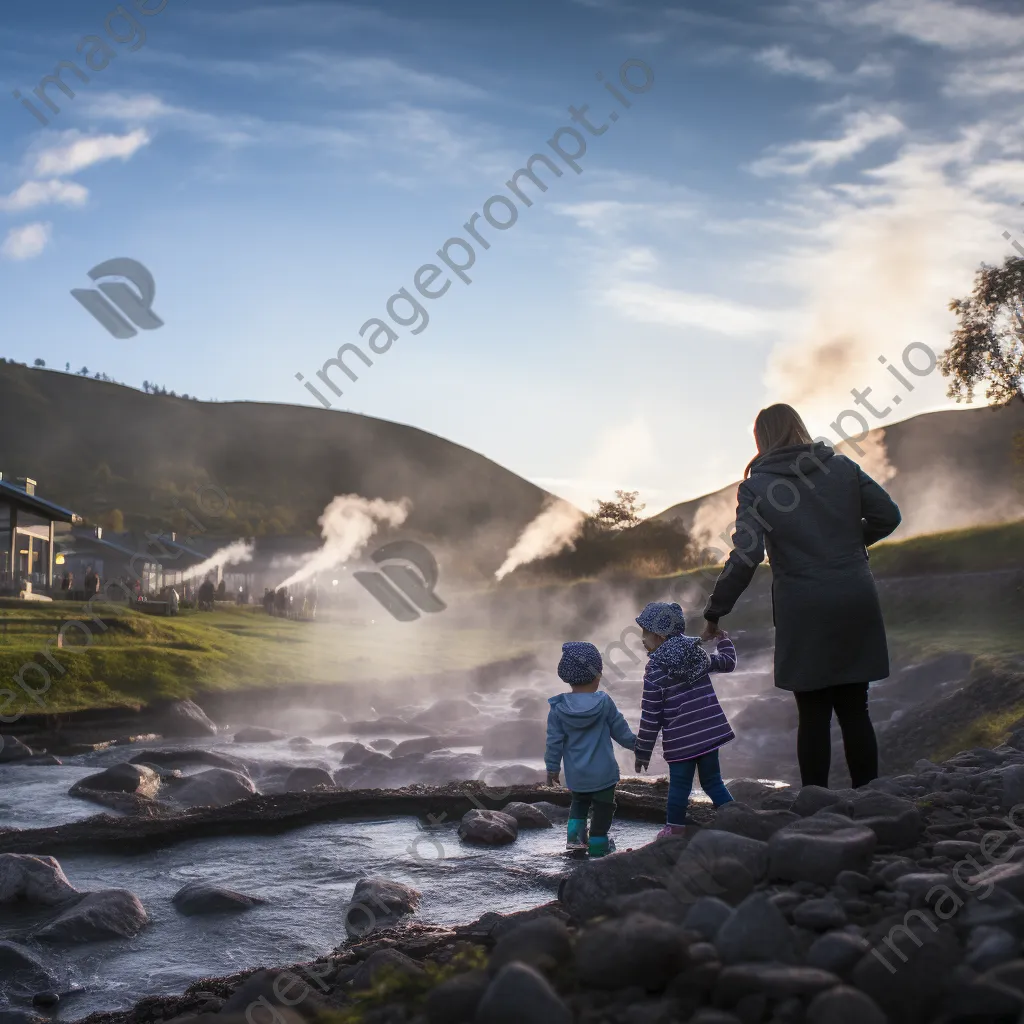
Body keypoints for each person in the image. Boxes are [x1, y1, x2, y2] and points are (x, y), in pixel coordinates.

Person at [702, 403, 901, 790]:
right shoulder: (842, 467)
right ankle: (874, 804)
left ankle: (815, 809)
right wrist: (845, 545)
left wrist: (716, 610)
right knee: (855, 708)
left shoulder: (757, 487)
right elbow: (888, 516)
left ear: (761, 438)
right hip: (855, 595)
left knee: (812, 714)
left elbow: (746, 557)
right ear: (799, 428)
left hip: (804, 607)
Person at [633, 602, 737, 837]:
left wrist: (643, 751)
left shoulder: (655, 671)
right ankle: (736, 819)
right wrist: (724, 641)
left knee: (680, 786)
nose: (642, 639)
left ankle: (674, 829)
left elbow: (651, 716)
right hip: (710, 735)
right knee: (714, 782)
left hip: (681, 743)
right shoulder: (696, 654)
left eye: (645, 633)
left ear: (659, 636)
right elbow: (728, 663)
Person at [544, 641, 637, 858]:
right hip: (603, 773)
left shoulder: (559, 708)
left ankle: (575, 841)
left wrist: (552, 769)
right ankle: (598, 844)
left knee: (579, 804)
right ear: (597, 675)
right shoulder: (604, 702)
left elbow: (553, 742)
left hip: (577, 774)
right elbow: (620, 729)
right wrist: (638, 746)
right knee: (603, 808)